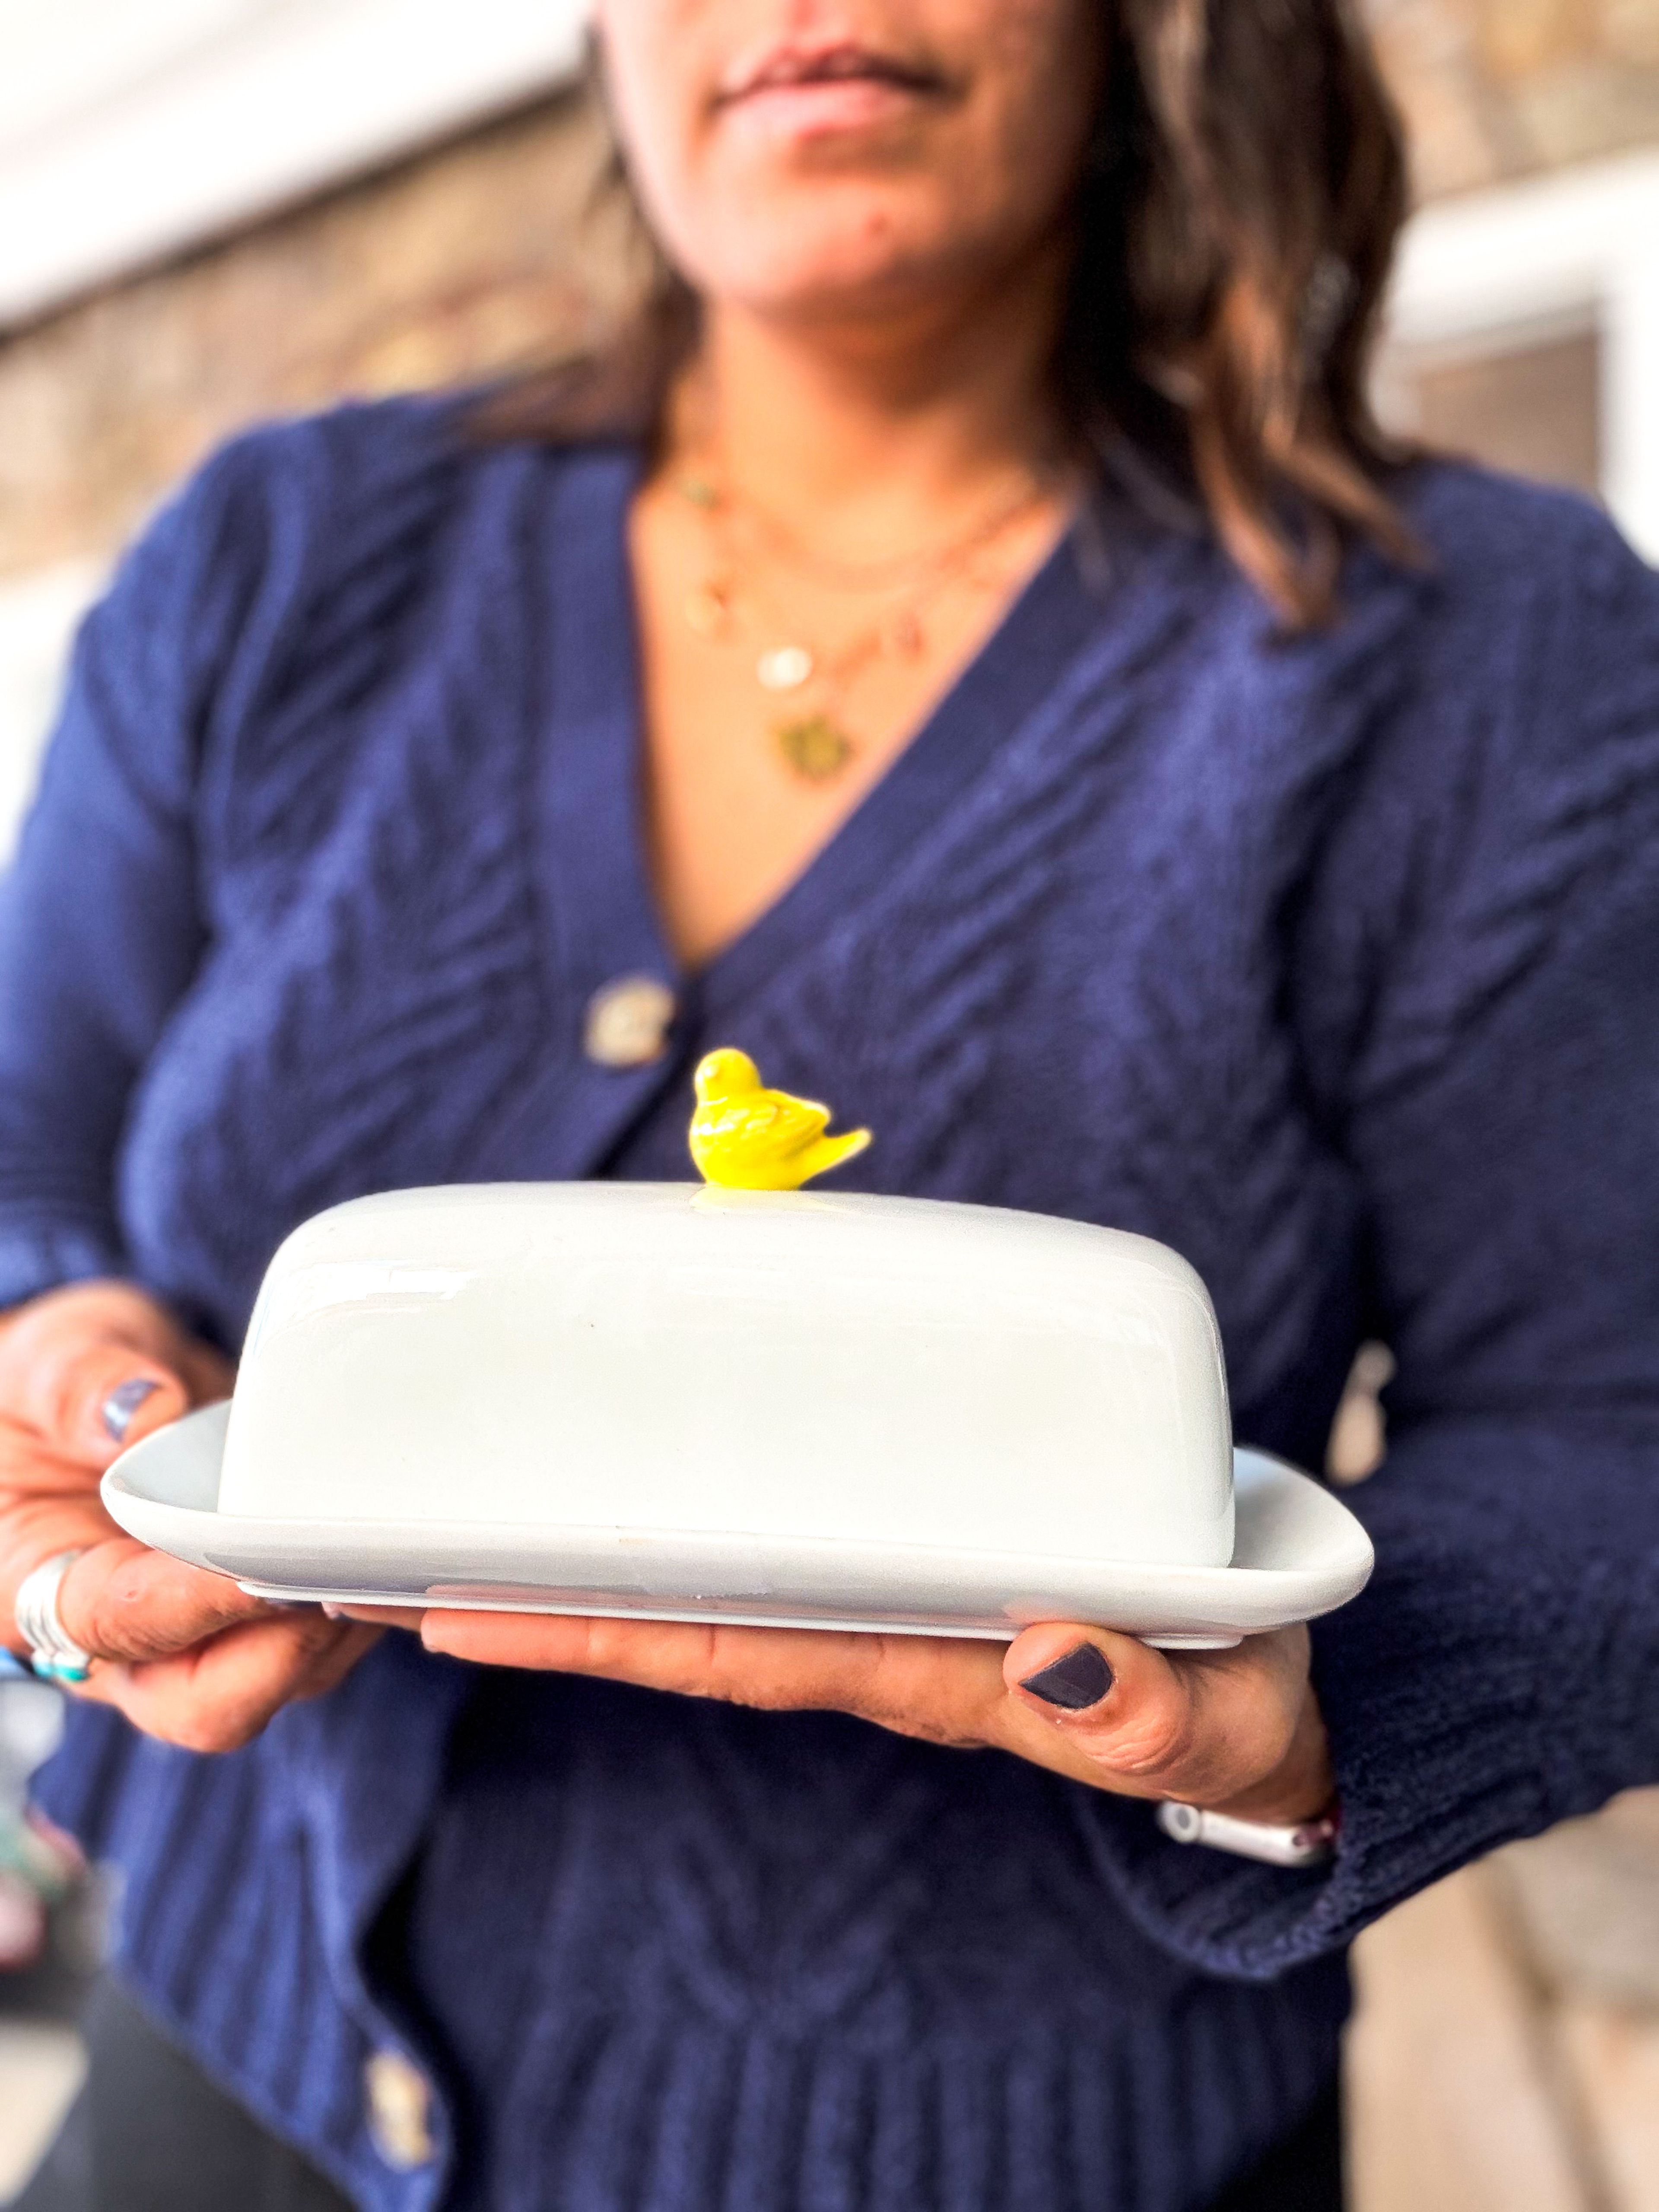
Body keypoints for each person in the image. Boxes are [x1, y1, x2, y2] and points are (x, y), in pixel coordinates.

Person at [1, 1, 1656, 2206]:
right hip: (233, 2069)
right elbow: (30, 1139)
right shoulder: (280, 557)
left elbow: (1612, 1428)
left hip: (1027, 2154)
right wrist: (54, 1376)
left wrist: (1308, 1717)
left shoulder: (1481, 653)